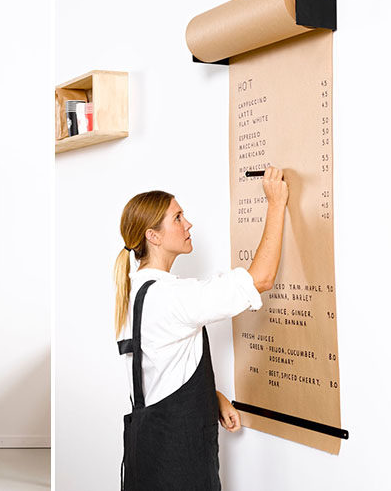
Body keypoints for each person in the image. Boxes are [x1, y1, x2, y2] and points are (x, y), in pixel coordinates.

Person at [114, 167, 289, 490]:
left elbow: (159, 371)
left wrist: (214, 396)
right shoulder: (169, 295)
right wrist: (276, 204)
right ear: (153, 236)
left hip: (148, 456)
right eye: (178, 217)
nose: (188, 224)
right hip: (176, 467)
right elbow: (261, 278)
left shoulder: (137, 291)